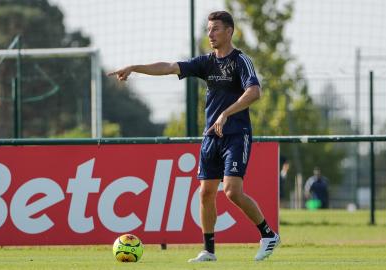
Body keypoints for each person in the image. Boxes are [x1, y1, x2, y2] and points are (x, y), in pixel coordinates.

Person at [108, 10, 280, 262]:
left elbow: (254, 92)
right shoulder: (206, 62)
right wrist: (135, 67)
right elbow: (168, 67)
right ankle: (208, 251)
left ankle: (268, 235)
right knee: (206, 192)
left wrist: (226, 114)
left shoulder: (241, 60)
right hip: (211, 136)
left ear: (229, 31)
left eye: (216, 29)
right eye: (208, 29)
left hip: (236, 134)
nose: (210, 34)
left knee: (232, 191)